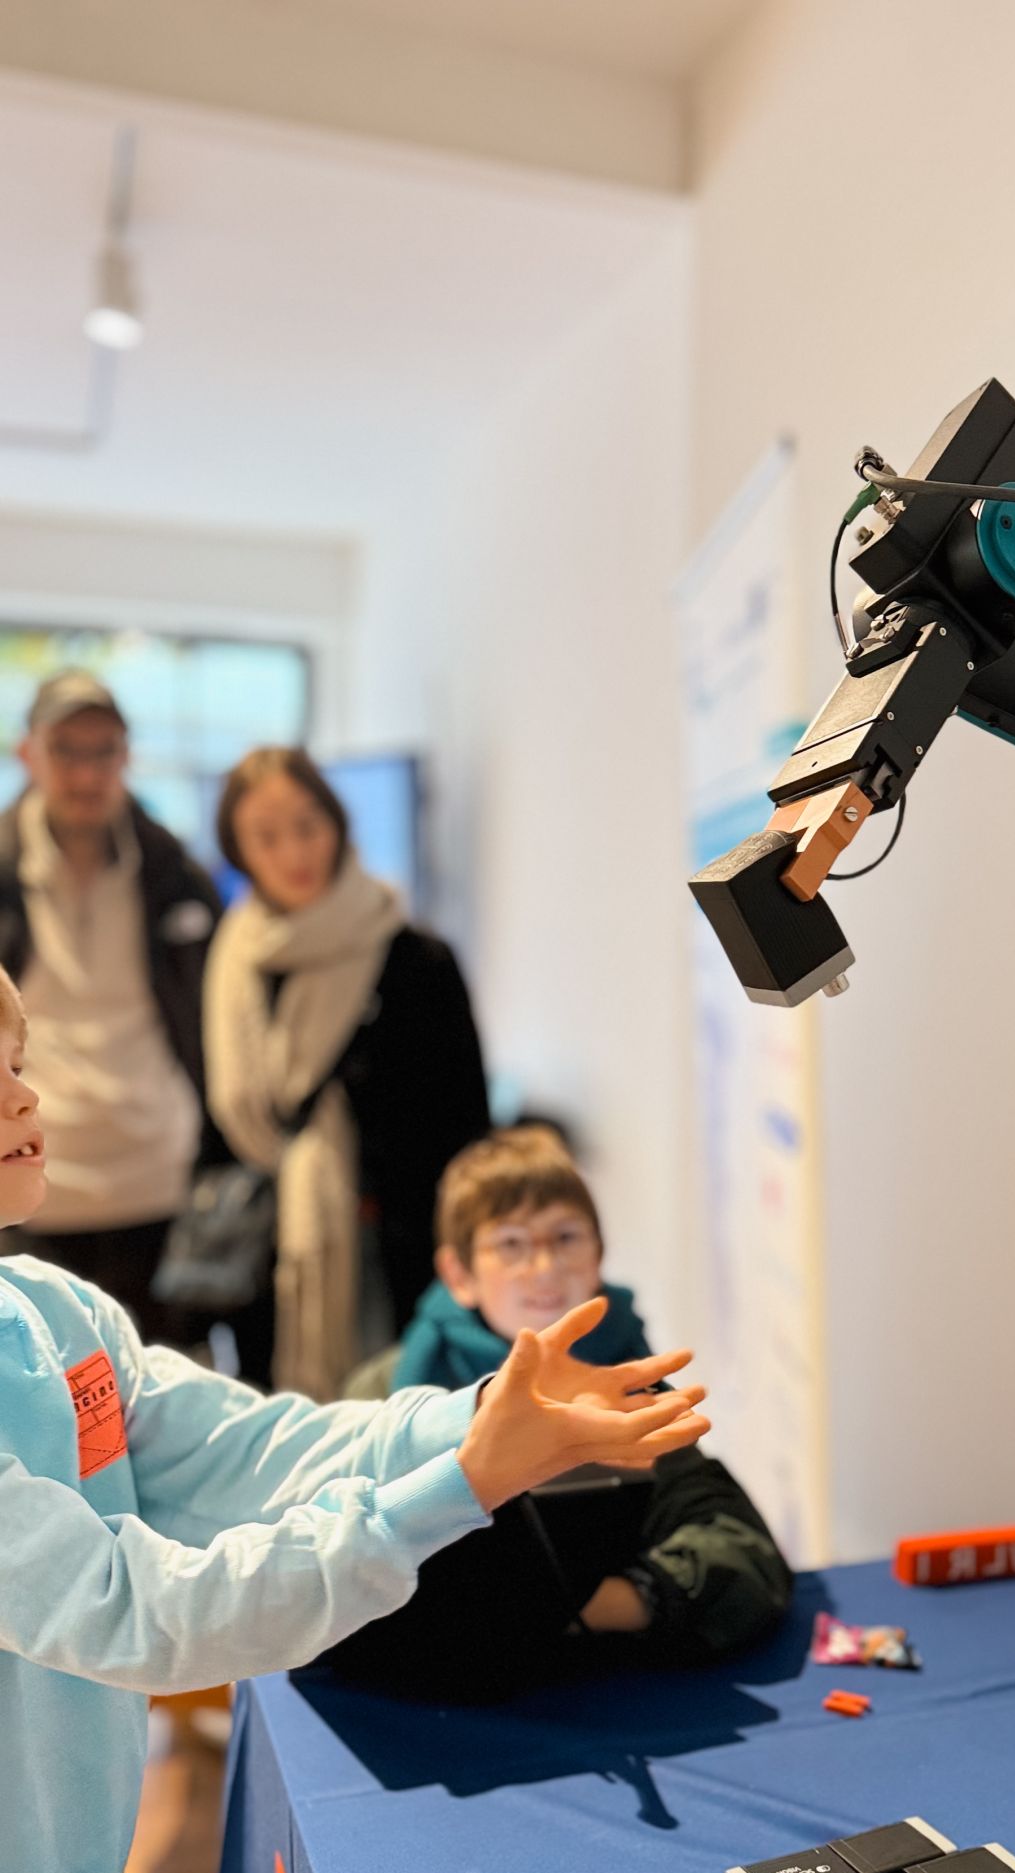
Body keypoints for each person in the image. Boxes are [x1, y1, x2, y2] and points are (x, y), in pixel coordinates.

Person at [0, 960, 707, 1873]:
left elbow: (260, 1450)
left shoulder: (55, 1314)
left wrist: (478, 1420)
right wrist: (464, 1483)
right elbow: (148, 1609)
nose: (25, 1095)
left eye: (19, 1059)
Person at [314, 1127, 792, 1701]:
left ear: (598, 1257)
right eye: (511, 1244)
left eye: (566, 1237)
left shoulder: (627, 1386)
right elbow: (330, 1559)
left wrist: (586, 1604)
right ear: (460, 1274)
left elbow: (742, 1554)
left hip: (597, 1688)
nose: (544, 1267)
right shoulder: (386, 1391)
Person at [204, 745, 488, 1397]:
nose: (293, 852)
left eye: (308, 825)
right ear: (238, 851)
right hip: (268, 1256)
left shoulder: (417, 959)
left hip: (397, 1254)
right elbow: (218, 1120)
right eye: (266, 836)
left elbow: (465, 1126)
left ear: (336, 824)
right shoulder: (232, 963)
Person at [0, 670, 222, 1339]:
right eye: (67, 749)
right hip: (32, 1179)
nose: (87, 773)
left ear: (126, 757)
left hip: (157, 1174)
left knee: (157, 1386)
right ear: (28, 754)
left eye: (105, 752)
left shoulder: (174, 872)